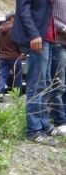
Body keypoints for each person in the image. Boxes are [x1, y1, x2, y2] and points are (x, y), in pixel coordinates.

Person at [11, 0, 61, 146]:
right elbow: (23, 9)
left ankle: (44, 125)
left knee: (45, 85)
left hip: (48, 38)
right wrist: (33, 34)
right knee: (37, 85)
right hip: (38, 38)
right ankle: (33, 130)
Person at [0, 12, 23, 102]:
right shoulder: (15, 29)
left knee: (3, 75)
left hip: (3, 58)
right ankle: (16, 95)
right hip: (15, 57)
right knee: (17, 77)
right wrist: (20, 52)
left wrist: (1, 52)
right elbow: (18, 42)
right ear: (12, 18)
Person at [50, 0, 66, 134]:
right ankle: (60, 121)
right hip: (57, 43)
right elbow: (46, 16)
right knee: (58, 84)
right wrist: (63, 28)